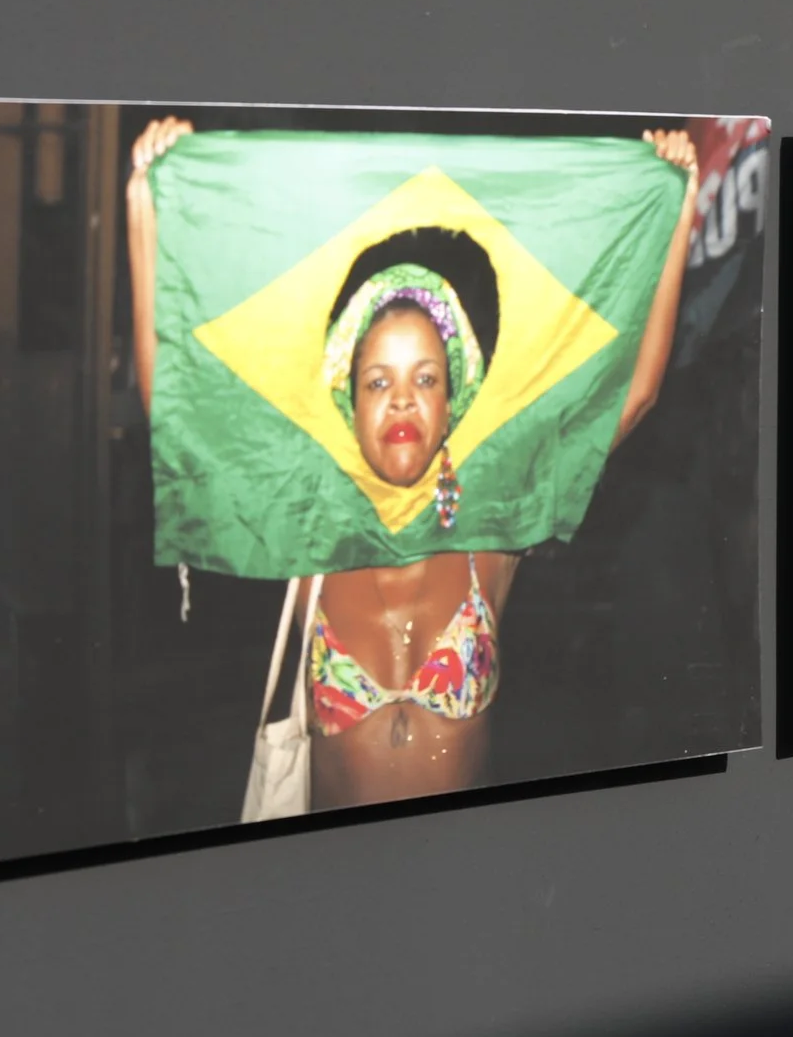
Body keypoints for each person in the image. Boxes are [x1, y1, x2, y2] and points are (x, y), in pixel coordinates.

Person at [126, 115, 699, 811]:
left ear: (452, 401)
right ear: (351, 402)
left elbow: (634, 396)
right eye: (379, 381)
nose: (402, 399)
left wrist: (679, 205)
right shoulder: (308, 520)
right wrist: (144, 202)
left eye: (425, 378)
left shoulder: (494, 521)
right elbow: (176, 410)